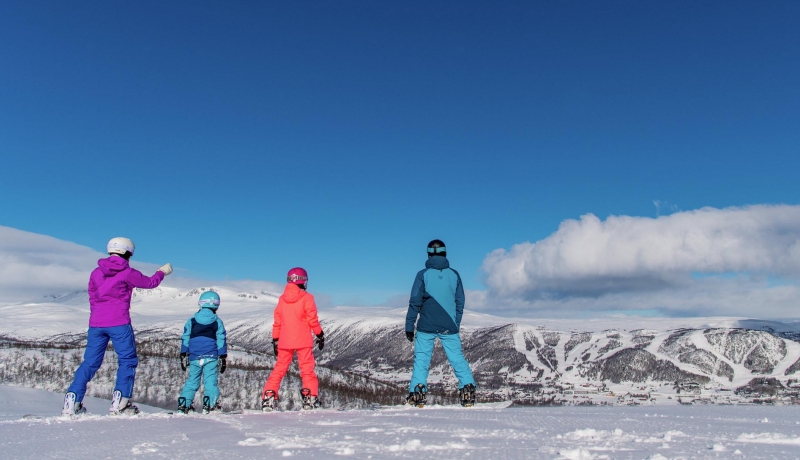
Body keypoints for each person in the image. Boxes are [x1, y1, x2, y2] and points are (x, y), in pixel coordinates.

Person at [62, 237, 172, 415]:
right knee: (127, 361)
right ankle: (120, 403)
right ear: (128, 252)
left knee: (89, 363)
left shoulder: (95, 273)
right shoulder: (127, 272)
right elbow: (150, 283)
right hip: (119, 322)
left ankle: (72, 400)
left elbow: (92, 296)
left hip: (96, 324)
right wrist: (162, 272)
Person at [405, 239, 477, 407]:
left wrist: (409, 326)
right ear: (445, 253)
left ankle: (417, 393)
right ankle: (467, 390)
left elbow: (414, 302)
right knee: (457, 359)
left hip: (426, 325)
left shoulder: (422, 274)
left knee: (422, 359)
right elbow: (460, 301)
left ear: (429, 254)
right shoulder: (455, 275)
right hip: (449, 326)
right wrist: (455, 322)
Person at [261, 267, 325, 411]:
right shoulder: (307, 298)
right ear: (303, 281)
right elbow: (312, 319)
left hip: (284, 340)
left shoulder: (282, 299)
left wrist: (275, 340)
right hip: (303, 340)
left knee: (279, 369)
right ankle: (310, 398)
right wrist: (319, 334)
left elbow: (277, 322)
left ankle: (269, 396)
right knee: (307, 370)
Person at [177, 290, 228, 414]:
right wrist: (223, 356)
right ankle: (209, 404)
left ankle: (184, 404)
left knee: (192, 380)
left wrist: (183, 353)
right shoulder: (217, 321)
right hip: (211, 356)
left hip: (194, 357)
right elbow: (221, 338)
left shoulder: (192, 321)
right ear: (216, 305)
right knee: (210, 381)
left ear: (201, 303)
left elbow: (186, 337)